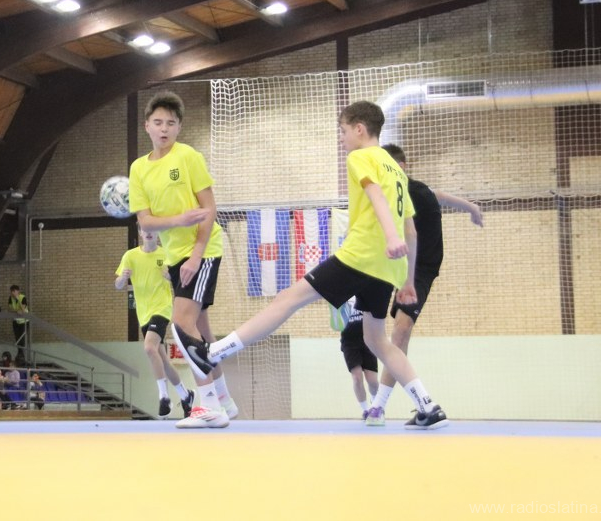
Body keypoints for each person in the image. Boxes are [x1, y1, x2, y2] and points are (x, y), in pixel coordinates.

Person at [173, 101, 449, 430]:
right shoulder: (396, 169)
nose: (341, 138)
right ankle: (427, 405)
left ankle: (213, 352)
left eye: (343, 131)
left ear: (359, 129)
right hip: (388, 269)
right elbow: (412, 231)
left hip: (360, 256)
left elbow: (375, 196)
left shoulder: (361, 157)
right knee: (377, 341)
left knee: (287, 299)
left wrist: (390, 237)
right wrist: (408, 281)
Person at [128, 90, 237, 428]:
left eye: (171, 123)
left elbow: (209, 208)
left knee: (181, 323)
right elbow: (146, 222)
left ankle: (207, 406)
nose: (164, 129)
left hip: (202, 251)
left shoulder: (188, 156)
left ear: (178, 127)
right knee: (201, 328)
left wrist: (196, 255)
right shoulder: (138, 169)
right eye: (158, 122)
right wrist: (178, 220)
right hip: (173, 255)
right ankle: (225, 399)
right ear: (147, 126)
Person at [361, 143, 483, 425]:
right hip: (404, 268)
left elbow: (429, 202)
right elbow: (440, 195)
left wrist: (470, 208)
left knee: (399, 333)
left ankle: (384, 407)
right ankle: (395, 406)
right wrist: (470, 207)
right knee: (397, 338)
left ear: (400, 168)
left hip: (420, 270)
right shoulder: (417, 191)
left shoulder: (410, 191)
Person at [115, 228, 195, 419]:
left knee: (149, 347)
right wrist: (123, 278)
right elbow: (118, 285)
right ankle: (186, 395)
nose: (149, 233)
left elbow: (182, 282)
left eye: (152, 230)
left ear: (158, 233)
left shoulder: (166, 254)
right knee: (163, 360)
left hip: (162, 308)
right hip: (143, 314)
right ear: (140, 232)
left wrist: (172, 276)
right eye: (145, 230)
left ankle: (164, 397)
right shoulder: (130, 256)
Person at [331, 297, 379, 419]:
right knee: (357, 378)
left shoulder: (363, 294)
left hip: (368, 340)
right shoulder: (342, 297)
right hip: (349, 342)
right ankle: (365, 410)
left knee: (373, 381)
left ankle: (375, 405)